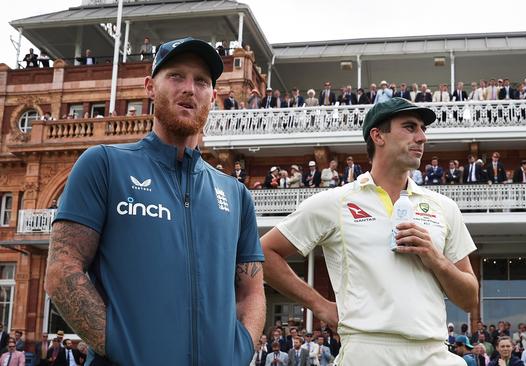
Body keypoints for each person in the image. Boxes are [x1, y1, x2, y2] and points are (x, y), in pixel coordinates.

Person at [44, 37, 265, 365]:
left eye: (201, 81)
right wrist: (121, 346)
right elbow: (61, 270)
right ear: (150, 87)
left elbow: (252, 292)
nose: (189, 88)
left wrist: (240, 349)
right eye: (176, 76)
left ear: (213, 96)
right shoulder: (104, 164)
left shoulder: (236, 194)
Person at [261, 97, 478, 365]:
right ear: (378, 136)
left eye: (423, 129)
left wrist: (437, 259)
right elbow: (264, 252)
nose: (422, 137)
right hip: (365, 351)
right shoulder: (335, 202)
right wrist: (320, 305)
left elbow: (469, 299)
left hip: (433, 352)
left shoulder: (443, 207)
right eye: (410, 127)